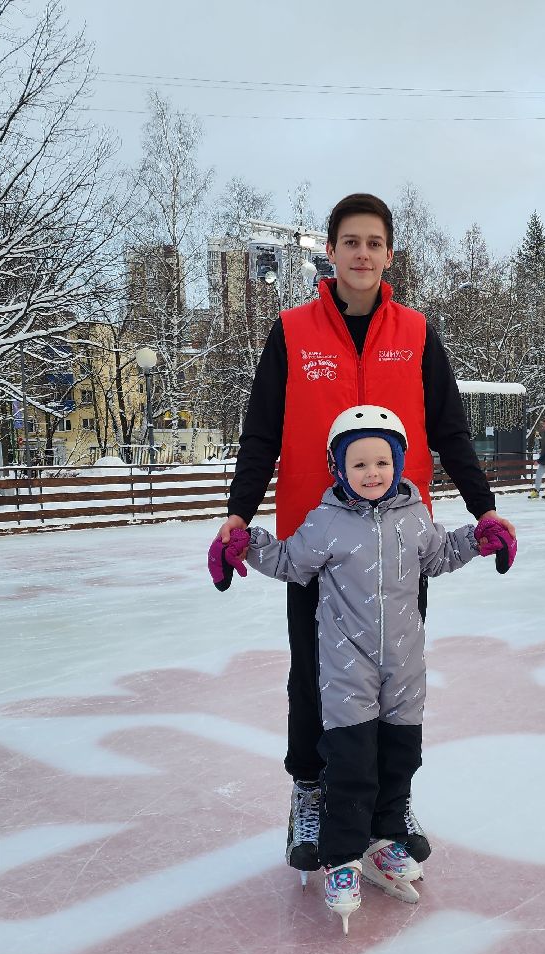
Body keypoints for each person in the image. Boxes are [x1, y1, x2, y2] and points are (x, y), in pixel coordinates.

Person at [211, 192, 517, 876]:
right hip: (316, 541)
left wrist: (484, 508)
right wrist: (239, 513)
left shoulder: (415, 332)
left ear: (388, 252)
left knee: (394, 675)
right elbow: (260, 434)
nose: (362, 253)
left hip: (400, 542)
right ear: (330, 249)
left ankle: (389, 803)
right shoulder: (292, 332)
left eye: (374, 242)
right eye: (351, 241)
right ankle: (312, 791)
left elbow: (450, 431)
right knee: (314, 678)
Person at [213, 405, 516, 932]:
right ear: (339, 469)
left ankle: (384, 838)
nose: (372, 473)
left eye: (382, 461)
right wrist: (248, 544)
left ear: (398, 464)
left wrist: (477, 540)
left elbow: (438, 555)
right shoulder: (327, 521)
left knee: (401, 756)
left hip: (404, 662)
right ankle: (342, 855)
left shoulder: (414, 514)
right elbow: (290, 563)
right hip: (346, 664)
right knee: (351, 762)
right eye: (359, 464)